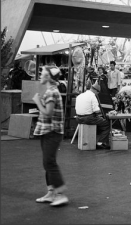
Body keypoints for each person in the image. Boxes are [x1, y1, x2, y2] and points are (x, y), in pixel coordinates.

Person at [32, 66, 68, 207]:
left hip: (52, 132)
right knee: (47, 162)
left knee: (50, 162)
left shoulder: (51, 92)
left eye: (43, 74)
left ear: (49, 77)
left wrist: (37, 101)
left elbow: (48, 112)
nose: (40, 76)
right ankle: (51, 193)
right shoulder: (51, 91)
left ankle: (60, 194)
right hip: (48, 131)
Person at [75, 83, 111, 149]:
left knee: (99, 122)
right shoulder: (92, 96)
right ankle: (101, 143)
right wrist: (102, 111)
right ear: (96, 91)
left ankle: (92, 140)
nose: (97, 94)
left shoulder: (80, 95)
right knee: (106, 124)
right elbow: (96, 111)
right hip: (88, 118)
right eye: (98, 93)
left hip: (78, 118)